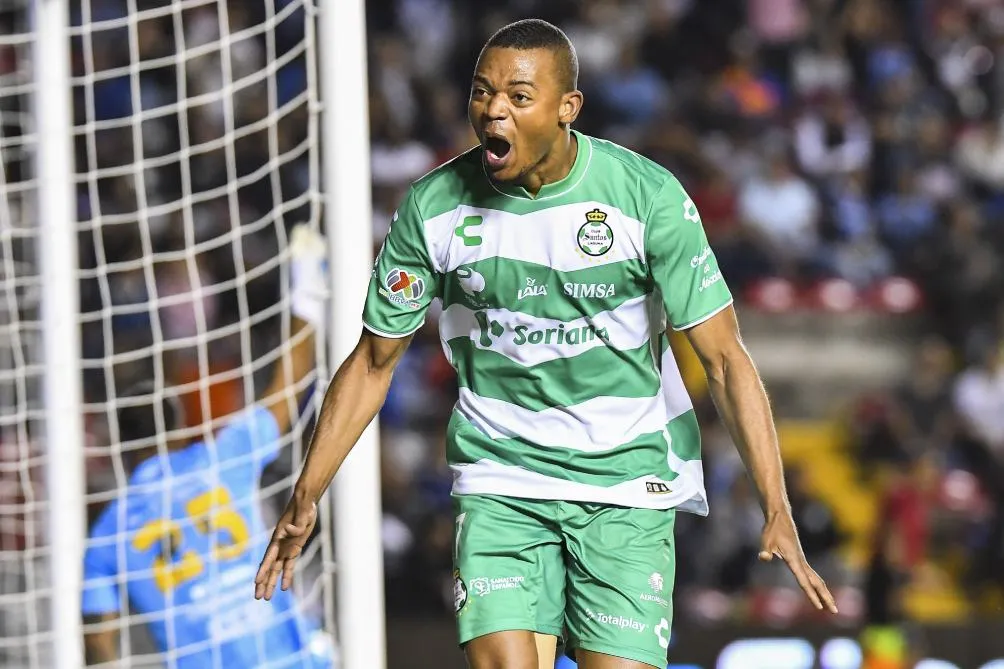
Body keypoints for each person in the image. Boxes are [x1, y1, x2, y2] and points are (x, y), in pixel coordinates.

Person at [256, 19, 837, 669]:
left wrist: (775, 504)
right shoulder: (435, 207)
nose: (494, 109)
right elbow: (373, 361)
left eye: (518, 96)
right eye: (482, 92)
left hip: (624, 483)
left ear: (568, 108)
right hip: (501, 476)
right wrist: (307, 492)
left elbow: (724, 359)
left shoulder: (645, 198)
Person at [83, 225, 333, 668]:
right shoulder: (224, 457)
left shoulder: (108, 532)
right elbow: (290, 382)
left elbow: (100, 646)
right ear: (180, 430)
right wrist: (307, 282)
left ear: (119, 447)